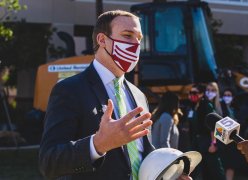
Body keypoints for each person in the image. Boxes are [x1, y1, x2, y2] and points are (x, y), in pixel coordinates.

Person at [39, 10, 191, 180]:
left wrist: (167, 174)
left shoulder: (139, 95)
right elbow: (49, 162)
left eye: (139, 38)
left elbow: (142, 155)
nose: (135, 44)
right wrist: (98, 144)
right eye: (127, 35)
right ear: (102, 40)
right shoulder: (70, 90)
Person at [190, 82, 225, 180]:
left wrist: (214, 143)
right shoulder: (199, 104)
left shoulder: (209, 105)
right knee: (205, 171)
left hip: (211, 142)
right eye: (208, 90)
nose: (210, 92)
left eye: (213, 90)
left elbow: (213, 126)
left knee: (216, 170)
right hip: (202, 142)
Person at [220, 88, 240, 180]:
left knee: (231, 164)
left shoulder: (235, 109)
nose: (227, 97)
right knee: (223, 164)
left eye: (229, 95)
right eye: (225, 95)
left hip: (232, 141)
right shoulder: (220, 108)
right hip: (222, 140)